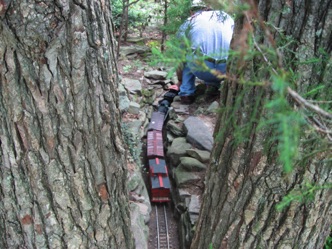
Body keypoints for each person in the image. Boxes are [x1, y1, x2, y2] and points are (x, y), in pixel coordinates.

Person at [176, 0, 234, 104]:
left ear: (191, 11)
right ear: (208, 7)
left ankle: (186, 93)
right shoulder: (226, 17)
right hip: (226, 69)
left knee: (187, 53)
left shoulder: (190, 21)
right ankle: (213, 87)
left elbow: (180, 55)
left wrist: (180, 80)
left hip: (202, 69)